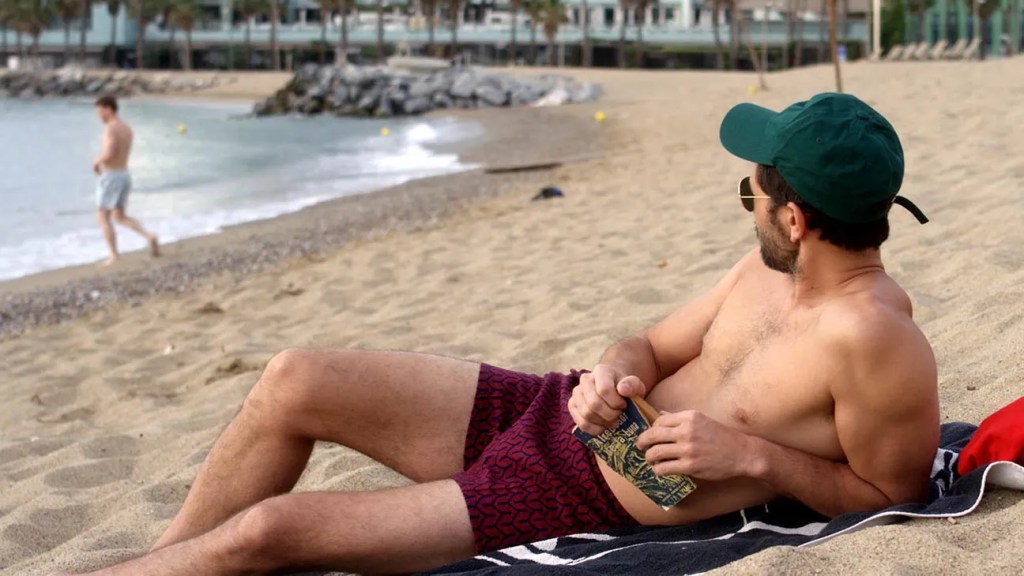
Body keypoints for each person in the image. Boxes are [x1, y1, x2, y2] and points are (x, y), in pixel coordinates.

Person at [64, 93, 939, 576]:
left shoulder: (878, 344)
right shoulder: (762, 269)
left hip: (578, 498)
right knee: (295, 377)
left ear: (794, 216)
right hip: (558, 412)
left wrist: (754, 459)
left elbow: (892, 493)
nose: (745, 208)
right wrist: (611, 373)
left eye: (751, 195)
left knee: (270, 534)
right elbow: (651, 344)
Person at [92, 95, 159, 267]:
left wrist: (97, 161)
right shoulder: (126, 128)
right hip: (124, 174)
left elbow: (110, 153)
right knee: (119, 216)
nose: (99, 116)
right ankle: (148, 235)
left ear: (108, 109)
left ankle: (114, 255)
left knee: (103, 216)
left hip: (112, 176)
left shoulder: (111, 129)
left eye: (99, 111)